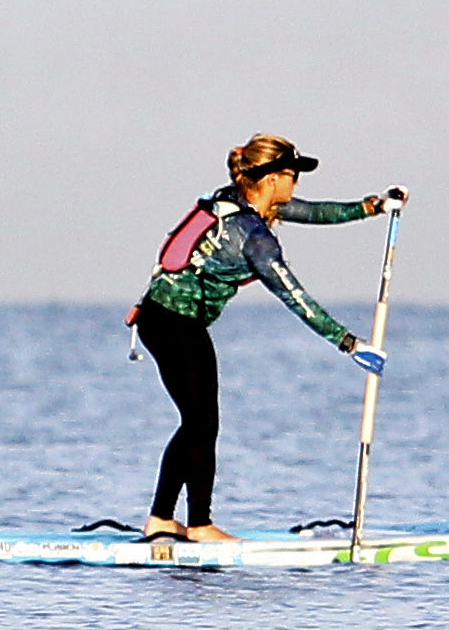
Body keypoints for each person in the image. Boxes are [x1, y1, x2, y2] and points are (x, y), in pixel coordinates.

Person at [127, 135, 397, 541]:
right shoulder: (256, 239)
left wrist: (371, 207)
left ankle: (163, 519)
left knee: (198, 422)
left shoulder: (236, 198)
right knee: (202, 422)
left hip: (159, 319)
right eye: (292, 175)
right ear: (270, 178)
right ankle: (198, 524)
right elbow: (296, 298)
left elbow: (315, 212)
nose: (296, 185)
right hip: (174, 323)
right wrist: (350, 343)